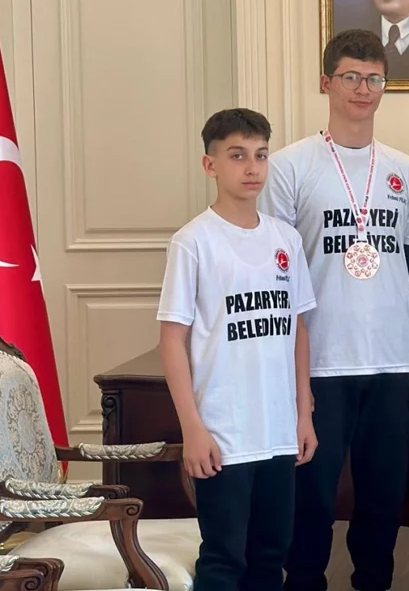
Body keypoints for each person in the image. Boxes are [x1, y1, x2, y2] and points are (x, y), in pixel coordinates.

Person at [260, 29, 409, 591]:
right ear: (326, 82)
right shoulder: (289, 167)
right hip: (321, 361)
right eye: (351, 77)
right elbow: (276, 275)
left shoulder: (405, 170)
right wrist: (287, 369)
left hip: (392, 361)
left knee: (383, 500)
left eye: (374, 78)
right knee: (312, 500)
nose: (363, 89)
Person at [157, 108, 318, 591]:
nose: (252, 168)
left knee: (271, 557)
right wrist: (193, 428)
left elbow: (297, 329)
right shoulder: (193, 242)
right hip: (223, 434)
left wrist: (303, 415)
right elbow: (172, 340)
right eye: (237, 156)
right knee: (224, 558)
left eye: (261, 156)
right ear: (211, 165)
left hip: (278, 432)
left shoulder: (286, 238)